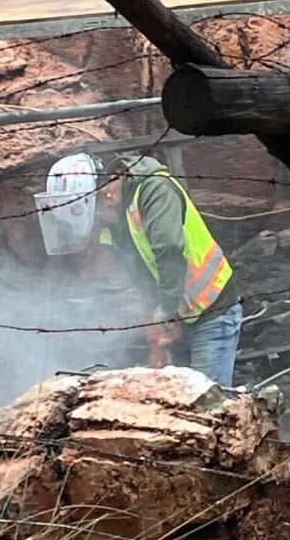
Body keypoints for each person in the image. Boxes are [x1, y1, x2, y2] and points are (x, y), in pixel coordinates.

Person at [37, 152, 245, 387]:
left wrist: (167, 313)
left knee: (210, 404)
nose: (99, 223)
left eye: (97, 215)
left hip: (211, 310)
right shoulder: (116, 221)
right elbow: (140, 278)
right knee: (182, 403)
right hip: (178, 315)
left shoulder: (153, 190)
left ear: (105, 194)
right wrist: (154, 335)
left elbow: (169, 249)